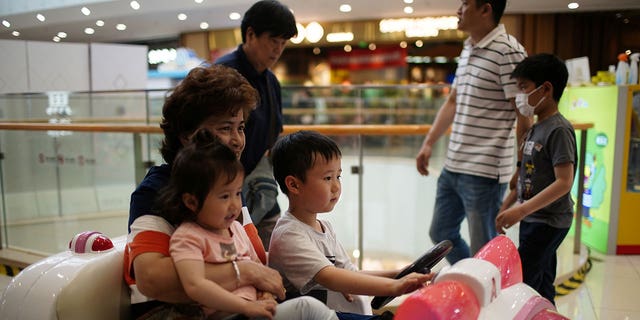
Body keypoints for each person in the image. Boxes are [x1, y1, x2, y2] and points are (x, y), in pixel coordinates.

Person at [124, 64, 335, 319]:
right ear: (186, 136)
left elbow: (254, 259)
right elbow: (151, 279)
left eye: (241, 127)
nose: (238, 140)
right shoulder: (156, 191)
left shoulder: (227, 186)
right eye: (225, 128)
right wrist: (245, 273)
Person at [159, 129, 338, 320]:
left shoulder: (235, 229)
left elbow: (259, 269)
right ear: (192, 202)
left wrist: (265, 295)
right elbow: (195, 285)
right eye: (224, 196)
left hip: (253, 312)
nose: (235, 204)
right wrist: (246, 306)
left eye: (237, 193)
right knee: (307, 308)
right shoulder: (188, 237)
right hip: (227, 316)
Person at [268, 130, 432, 319]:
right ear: (294, 185)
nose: (336, 186)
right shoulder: (289, 234)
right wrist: (394, 286)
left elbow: (350, 273)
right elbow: (330, 277)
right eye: (327, 178)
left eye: (338, 176)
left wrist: (399, 274)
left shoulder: (324, 227)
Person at [415, 0, 529, 265]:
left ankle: (486, 295)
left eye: (465, 4)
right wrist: (429, 142)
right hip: (454, 163)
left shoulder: (508, 51)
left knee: (484, 245)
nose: (458, 10)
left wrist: (521, 165)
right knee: (440, 232)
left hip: (485, 171)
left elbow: (523, 115)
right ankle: (472, 277)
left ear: (485, 9)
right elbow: (453, 101)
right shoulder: (468, 46)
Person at [216, 0, 297, 249]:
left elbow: (274, 135)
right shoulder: (222, 75)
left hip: (258, 187)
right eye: (273, 40)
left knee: (275, 252)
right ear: (250, 34)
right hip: (221, 187)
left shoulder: (271, 81)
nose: (278, 49)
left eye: (283, 43)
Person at [495, 53, 576, 305]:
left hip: (549, 221)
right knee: (540, 281)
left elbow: (564, 181)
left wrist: (520, 211)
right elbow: (528, 175)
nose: (520, 96)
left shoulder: (559, 129)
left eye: (524, 88)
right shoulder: (536, 127)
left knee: (524, 281)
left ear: (546, 88)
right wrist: (509, 203)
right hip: (535, 217)